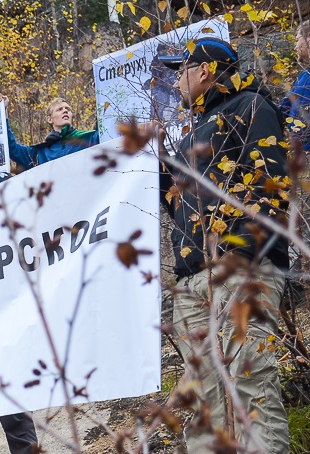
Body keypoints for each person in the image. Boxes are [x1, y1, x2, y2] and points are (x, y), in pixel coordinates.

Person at [159, 37, 289, 452]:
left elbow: (272, 189)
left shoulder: (251, 108)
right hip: (193, 282)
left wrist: (242, 258)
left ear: (204, 72)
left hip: (240, 270)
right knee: (203, 402)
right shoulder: (192, 131)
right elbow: (179, 207)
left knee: (252, 387)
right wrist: (163, 171)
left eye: (181, 71)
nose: (176, 81)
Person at [0, 94, 99, 171]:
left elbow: (109, 131)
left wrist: (101, 93)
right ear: (49, 119)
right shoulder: (39, 154)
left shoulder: (88, 138)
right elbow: (12, 149)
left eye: (68, 109)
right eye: (59, 109)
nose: (65, 111)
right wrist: (3, 111)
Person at [281, 20, 310, 152]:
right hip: (299, 157)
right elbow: (283, 109)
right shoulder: (303, 77)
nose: (295, 47)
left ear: (308, 38)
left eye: (298, 40)